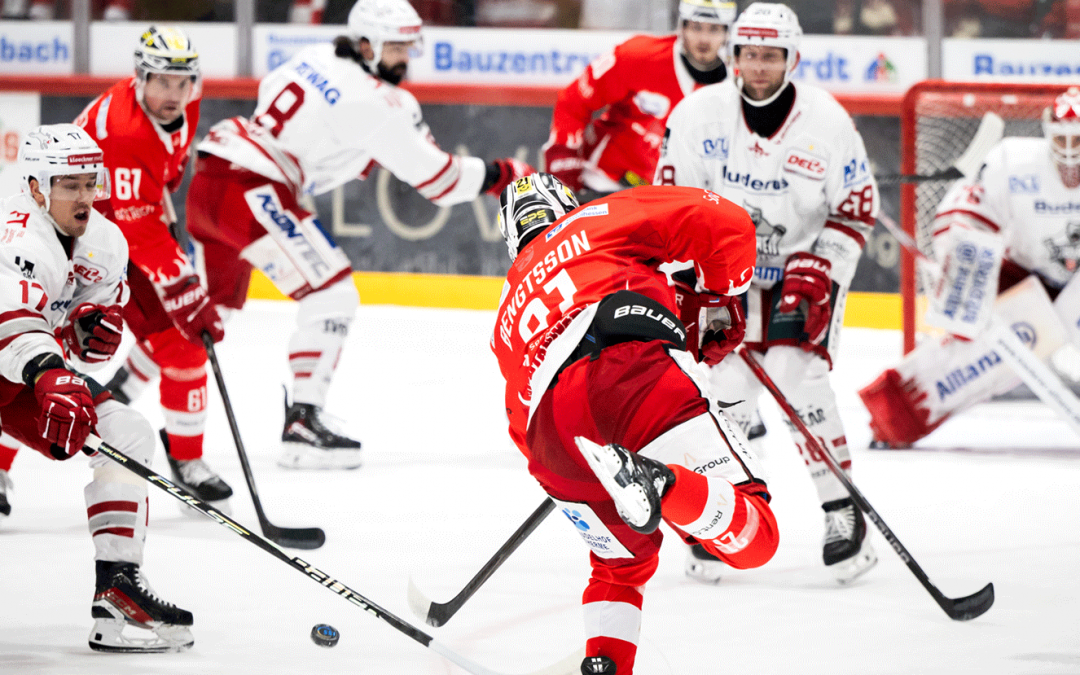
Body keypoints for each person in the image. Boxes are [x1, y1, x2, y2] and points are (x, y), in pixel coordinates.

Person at [148, 0, 530, 470]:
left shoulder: (317, 56)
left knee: (204, 311)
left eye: (408, 46)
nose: (404, 58)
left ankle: (117, 392)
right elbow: (439, 180)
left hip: (213, 176)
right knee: (332, 295)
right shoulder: (381, 100)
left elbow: (283, 99)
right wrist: (503, 173)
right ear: (367, 44)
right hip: (251, 186)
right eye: (396, 47)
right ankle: (303, 423)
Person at [492, 174, 778, 675]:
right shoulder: (594, 218)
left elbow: (519, 424)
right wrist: (718, 295)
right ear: (566, 205)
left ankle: (606, 663)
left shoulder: (505, 312)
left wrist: (571, 469)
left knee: (619, 568)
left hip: (551, 439)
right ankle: (662, 484)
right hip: (629, 369)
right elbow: (727, 223)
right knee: (757, 539)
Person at [654, 2, 880, 584]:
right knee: (723, 390)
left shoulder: (827, 122)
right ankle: (724, 515)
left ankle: (840, 507)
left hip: (802, 275)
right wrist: (696, 278)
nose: (758, 66)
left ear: (791, 58)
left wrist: (819, 265)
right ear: (734, 55)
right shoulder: (697, 115)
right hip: (721, 276)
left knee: (797, 375)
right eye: (749, 54)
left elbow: (856, 210)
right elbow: (670, 210)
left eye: (770, 55)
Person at [1, 123, 193, 652]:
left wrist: (87, 332)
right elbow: (10, 317)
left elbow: (81, 334)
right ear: (38, 188)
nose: (85, 196)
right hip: (19, 364)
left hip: (21, 377)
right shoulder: (17, 233)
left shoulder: (105, 241)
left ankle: (117, 588)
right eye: (70, 186)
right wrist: (50, 370)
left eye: (91, 183)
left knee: (127, 435)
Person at [860, 87, 1080, 446]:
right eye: (1063, 142)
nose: (1071, 157)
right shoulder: (1015, 162)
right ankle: (891, 421)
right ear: (1047, 132)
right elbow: (966, 211)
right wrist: (961, 260)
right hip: (1025, 275)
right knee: (971, 353)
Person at [71, 26, 233, 510]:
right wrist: (187, 289)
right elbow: (136, 231)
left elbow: (157, 181)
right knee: (43, 355)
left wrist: (159, 211)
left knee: (184, 348)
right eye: (160, 82)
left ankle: (187, 460)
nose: (172, 94)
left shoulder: (183, 104)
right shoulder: (123, 129)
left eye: (181, 83)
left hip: (120, 225)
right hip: (76, 238)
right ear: (139, 78)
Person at [543, 0, 735, 197]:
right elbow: (575, 99)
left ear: (727, 33)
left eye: (714, 29)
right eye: (696, 27)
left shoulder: (737, 85)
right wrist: (564, 153)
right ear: (682, 27)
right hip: (604, 184)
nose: (704, 39)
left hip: (673, 201)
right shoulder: (638, 56)